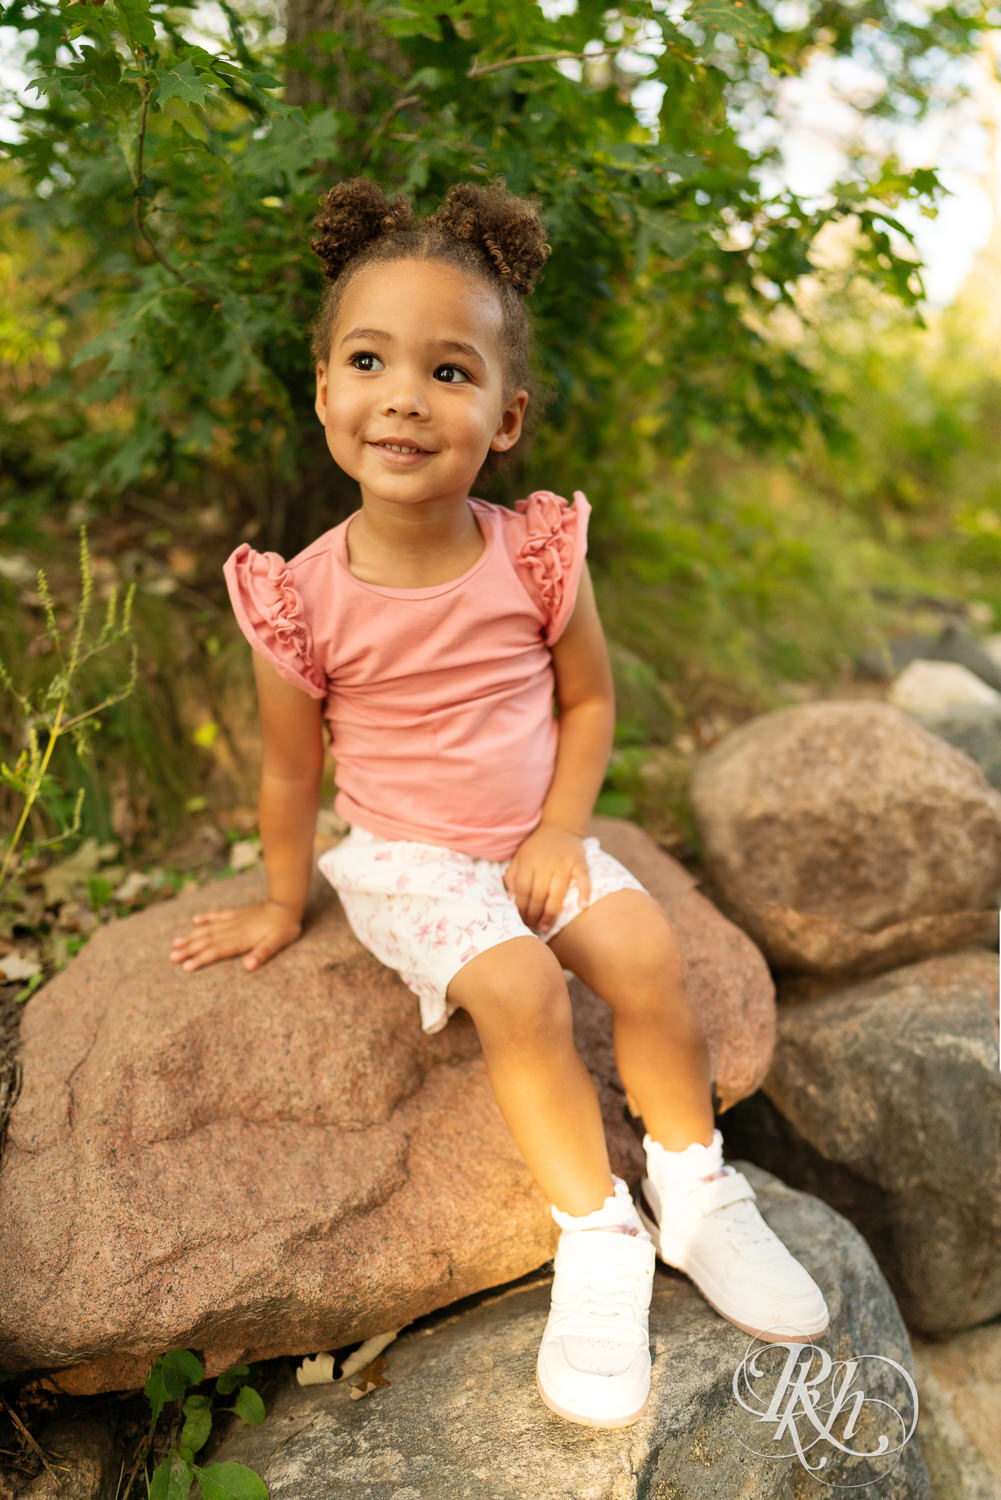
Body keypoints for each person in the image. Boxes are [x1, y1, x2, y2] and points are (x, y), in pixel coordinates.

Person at [170, 178, 828, 1428]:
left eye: (449, 371)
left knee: (641, 949)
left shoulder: (533, 554)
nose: (404, 396)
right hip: (413, 860)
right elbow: (286, 770)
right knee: (521, 989)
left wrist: (563, 829)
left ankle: (693, 1192)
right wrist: (277, 896)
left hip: (532, 836)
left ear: (507, 415)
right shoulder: (296, 598)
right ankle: (597, 1231)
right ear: (323, 394)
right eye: (368, 361)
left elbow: (586, 706)